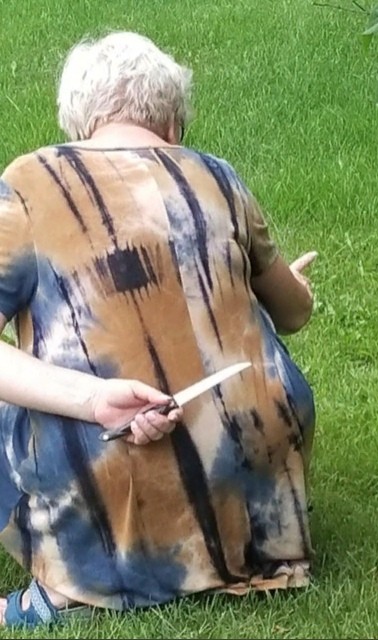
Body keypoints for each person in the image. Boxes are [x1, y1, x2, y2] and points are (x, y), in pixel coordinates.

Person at [0, 31, 317, 628]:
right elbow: (294, 313)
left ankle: (73, 582)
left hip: (112, 458)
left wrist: (93, 398)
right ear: (172, 123)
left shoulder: (30, 182)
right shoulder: (220, 177)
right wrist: (284, 285)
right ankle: (240, 557)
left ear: (81, 123)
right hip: (258, 475)